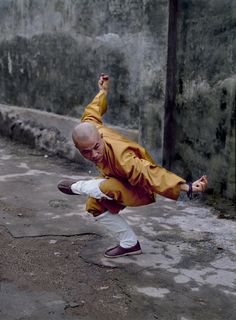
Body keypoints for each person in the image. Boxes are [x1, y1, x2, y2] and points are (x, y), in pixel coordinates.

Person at [58, 74, 208, 258]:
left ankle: (78, 187)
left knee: (104, 187)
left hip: (138, 188)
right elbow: (93, 109)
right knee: (94, 206)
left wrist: (187, 187)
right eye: (86, 152)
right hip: (115, 181)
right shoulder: (90, 125)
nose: (94, 155)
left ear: (101, 137)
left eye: (97, 147)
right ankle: (130, 244)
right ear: (78, 148)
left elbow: (148, 173)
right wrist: (103, 91)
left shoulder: (123, 157)